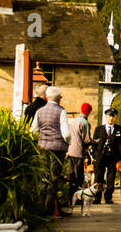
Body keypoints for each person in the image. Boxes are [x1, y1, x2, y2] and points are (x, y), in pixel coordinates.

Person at [30, 86, 72, 218]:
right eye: (60, 96)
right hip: (58, 149)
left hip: (43, 147)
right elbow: (66, 132)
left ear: (47, 97)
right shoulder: (61, 111)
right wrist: (68, 142)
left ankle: (40, 208)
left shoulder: (40, 111)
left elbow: (33, 130)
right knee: (54, 178)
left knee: (44, 177)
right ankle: (48, 210)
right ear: (58, 98)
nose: (61, 98)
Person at [90, 108, 121, 205]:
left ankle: (108, 197)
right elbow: (94, 143)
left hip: (113, 158)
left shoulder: (119, 129)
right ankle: (97, 198)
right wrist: (94, 156)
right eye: (110, 116)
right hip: (100, 158)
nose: (111, 118)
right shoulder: (99, 129)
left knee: (111, 178)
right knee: (99, 178)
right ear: (106, 116)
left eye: (113, 116)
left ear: (115, 117)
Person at [66, 102, 93, 205]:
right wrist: (95, 141)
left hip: (70, 151)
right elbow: (86, 140)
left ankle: (70, 197)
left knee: (71, 175)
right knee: (79, 176)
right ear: (89, 112)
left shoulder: (73, 121)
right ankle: (77, 198)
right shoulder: (85, 123)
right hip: (79, 152)